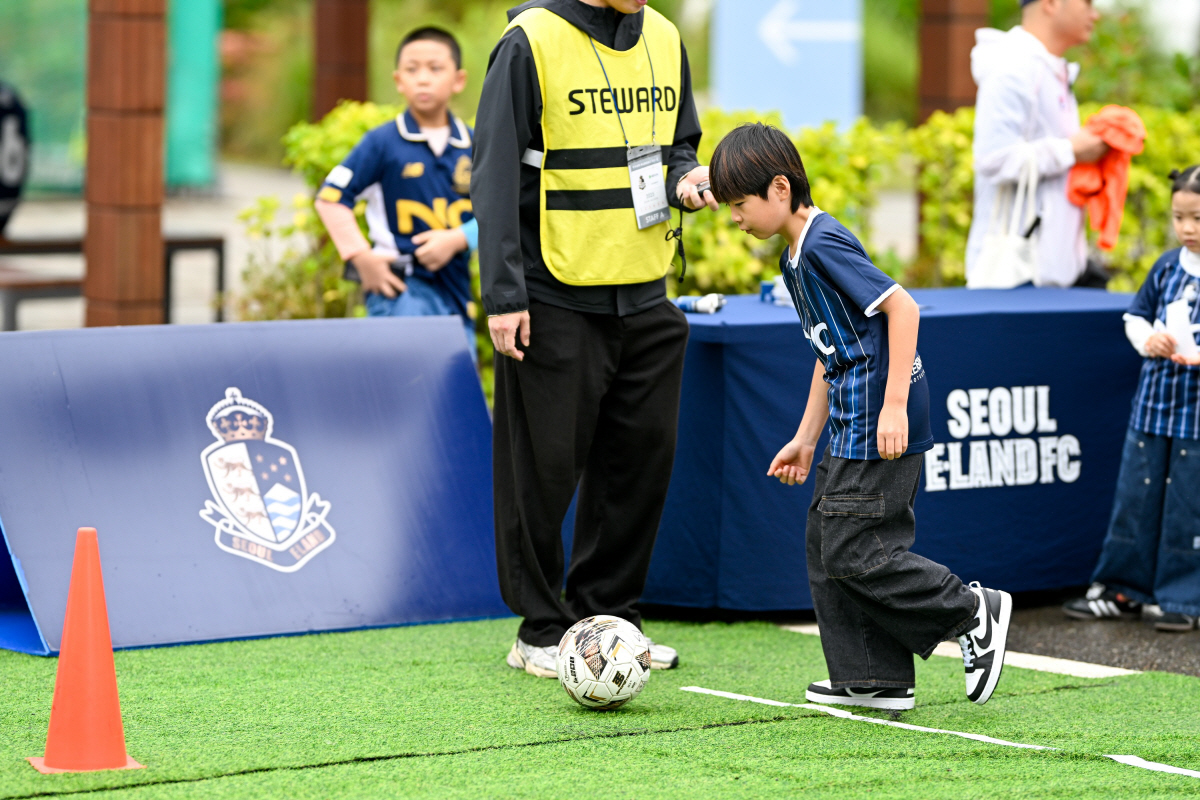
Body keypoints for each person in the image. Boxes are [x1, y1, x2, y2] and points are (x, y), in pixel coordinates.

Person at [709, 123, 1012, 709]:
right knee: (826, 540)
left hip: (878, 421)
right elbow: (831, 354)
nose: (734, 219)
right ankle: (874, 676)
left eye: (738, 204)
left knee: (851, 550)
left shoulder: (822, 244)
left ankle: (974, 612)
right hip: (851, 420)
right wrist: (803, 438)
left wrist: (894, 403)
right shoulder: (794, 260)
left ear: (778, 188)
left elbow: (904, 308)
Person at [471, 0, 717, 678]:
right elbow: (493, 175)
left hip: (645, 291)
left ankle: (609, 619)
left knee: (638, 467)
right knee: (542, 472)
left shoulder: (664, 37)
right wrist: (505, 295)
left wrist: (685, 180)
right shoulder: (530, 41)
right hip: (554, 293)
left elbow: (679, 145)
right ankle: (539, 628)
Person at [1063, 166, 1200, 633]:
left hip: (1197, 418)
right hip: (1154, 404)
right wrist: (1151, 340)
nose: (1187, 229)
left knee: (1189, 503)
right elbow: (1134, 317)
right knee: (1135, 498)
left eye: (1197, 218)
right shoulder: (1165, 266)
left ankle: (1184, 597)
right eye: (1180, 217)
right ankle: (1120, 589)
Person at [314, 27, 479, 355]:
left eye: (435, 68)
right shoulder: (381, 143)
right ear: (398, 80)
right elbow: (330, 199)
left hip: (456, 287)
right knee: (407, 381)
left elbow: (506, 209)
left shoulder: (476, 143)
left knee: (457, 383)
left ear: (458, 80)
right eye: (412, 69)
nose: (423, 78)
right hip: (399, 288)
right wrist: (360, 257)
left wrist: (460, 238)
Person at [966, 0, 1108, 288]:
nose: (1095, 14)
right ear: (1052, 3)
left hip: (1049, 275)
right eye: (1087, 3)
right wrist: (1071, 149)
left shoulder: (1046, 67)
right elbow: (993, 158)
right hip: (1017, 279)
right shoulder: (1013, 67)